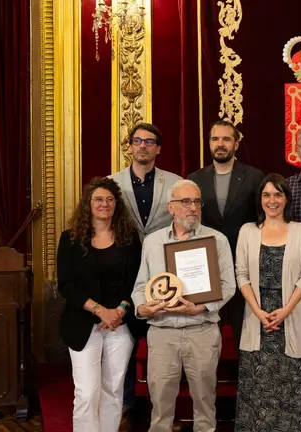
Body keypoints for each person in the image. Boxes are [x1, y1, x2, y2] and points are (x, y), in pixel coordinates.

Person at [131, 179, 236, 432]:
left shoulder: (216, 239)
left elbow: (228, 285)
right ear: (171, 207)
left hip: (202, 331)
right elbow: (140, 286)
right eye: (185, 202)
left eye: (197, 202)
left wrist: (200, 307)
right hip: (162, 332)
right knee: (160, 409)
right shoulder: (153, 242)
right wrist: (142, 308)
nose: (193, 208)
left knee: (205, 405)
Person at [57, 177, 144, 432]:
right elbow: (66, 285)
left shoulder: (130, 239)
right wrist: (99, 311)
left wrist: (119, 311)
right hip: (83, 323)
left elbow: (137, 282)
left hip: (120, 323)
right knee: (86, 392)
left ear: (116, 204)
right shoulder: (70, 240)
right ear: (88, 204)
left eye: (109, 199)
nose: (104, 204)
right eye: (98, 199)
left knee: (113, 390)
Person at [109, 122, 182, 425]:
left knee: (161, 348)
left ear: (158, 148)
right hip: (122, 273)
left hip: (161, 275)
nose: (143, 146)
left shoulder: (176, 183)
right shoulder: (110, 184)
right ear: (129, 145)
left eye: (149, 141)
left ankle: (161, 411)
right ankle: (125, 407)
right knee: (123, 343)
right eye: (137, 140)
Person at [234, 173, 301, 431]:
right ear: (260, 199)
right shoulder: (247, 231)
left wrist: (286, 311)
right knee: (258, 395)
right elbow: (241, 274)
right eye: (267, 194)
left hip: (290, 316)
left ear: (286, 198)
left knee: (289, 393)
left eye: (278, 194)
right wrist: (258, 312)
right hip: (257, 319)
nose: (272, 200)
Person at [188, 120, 264, 347]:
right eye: (215, 139)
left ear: (236, 144)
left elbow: (261, 221)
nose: (220, 144)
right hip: (207, 265)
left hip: (245, 264)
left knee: (245, 329)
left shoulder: (254, 177)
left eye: (226, 139)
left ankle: (247, 381)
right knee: (208, 331)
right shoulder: (194, 179)